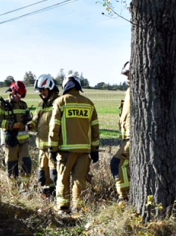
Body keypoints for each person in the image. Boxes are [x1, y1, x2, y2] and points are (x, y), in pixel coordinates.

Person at [48, 75, 100, 213]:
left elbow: (54, 127)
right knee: (79, 181)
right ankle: (78, 209)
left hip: (66, 150)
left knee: (63, 180)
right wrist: (95, 149)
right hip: (84, 151)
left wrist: (52, 148)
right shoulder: (89, 104)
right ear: (78, 86)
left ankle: (62, 208)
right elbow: (95, 128)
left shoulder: (60, 102)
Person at [0, 80, 33, 183]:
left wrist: (29, 124)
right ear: (13, 92)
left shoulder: (23, 105)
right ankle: (13, 193)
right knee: (12, 167)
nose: (19, 97)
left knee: (26, 164)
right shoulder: (2, 105)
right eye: (18, 95)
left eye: (21, 95)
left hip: (23, 141)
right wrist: (11, 125)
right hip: (10, 140)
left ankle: (25, 190)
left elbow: (29, 119)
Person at [27, 74, 59, 196]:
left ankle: (57, 194)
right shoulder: (41, 105)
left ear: (50, 88)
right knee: (42, 175)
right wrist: (30, 125)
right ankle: (47, 194)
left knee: (54, 173)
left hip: (53, 147)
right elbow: (35, 120)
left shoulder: (58, 103)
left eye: (44, 90)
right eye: (40, 91)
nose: (42, 93)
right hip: (41, 147)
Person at [111, 62, 132, 200]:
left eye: (129, 74)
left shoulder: (138, 90)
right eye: (126, 75)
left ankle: (124, 197)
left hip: (132, 138)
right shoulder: (130, 91)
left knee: (116, 164)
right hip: (127, 138)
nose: (127, 78)